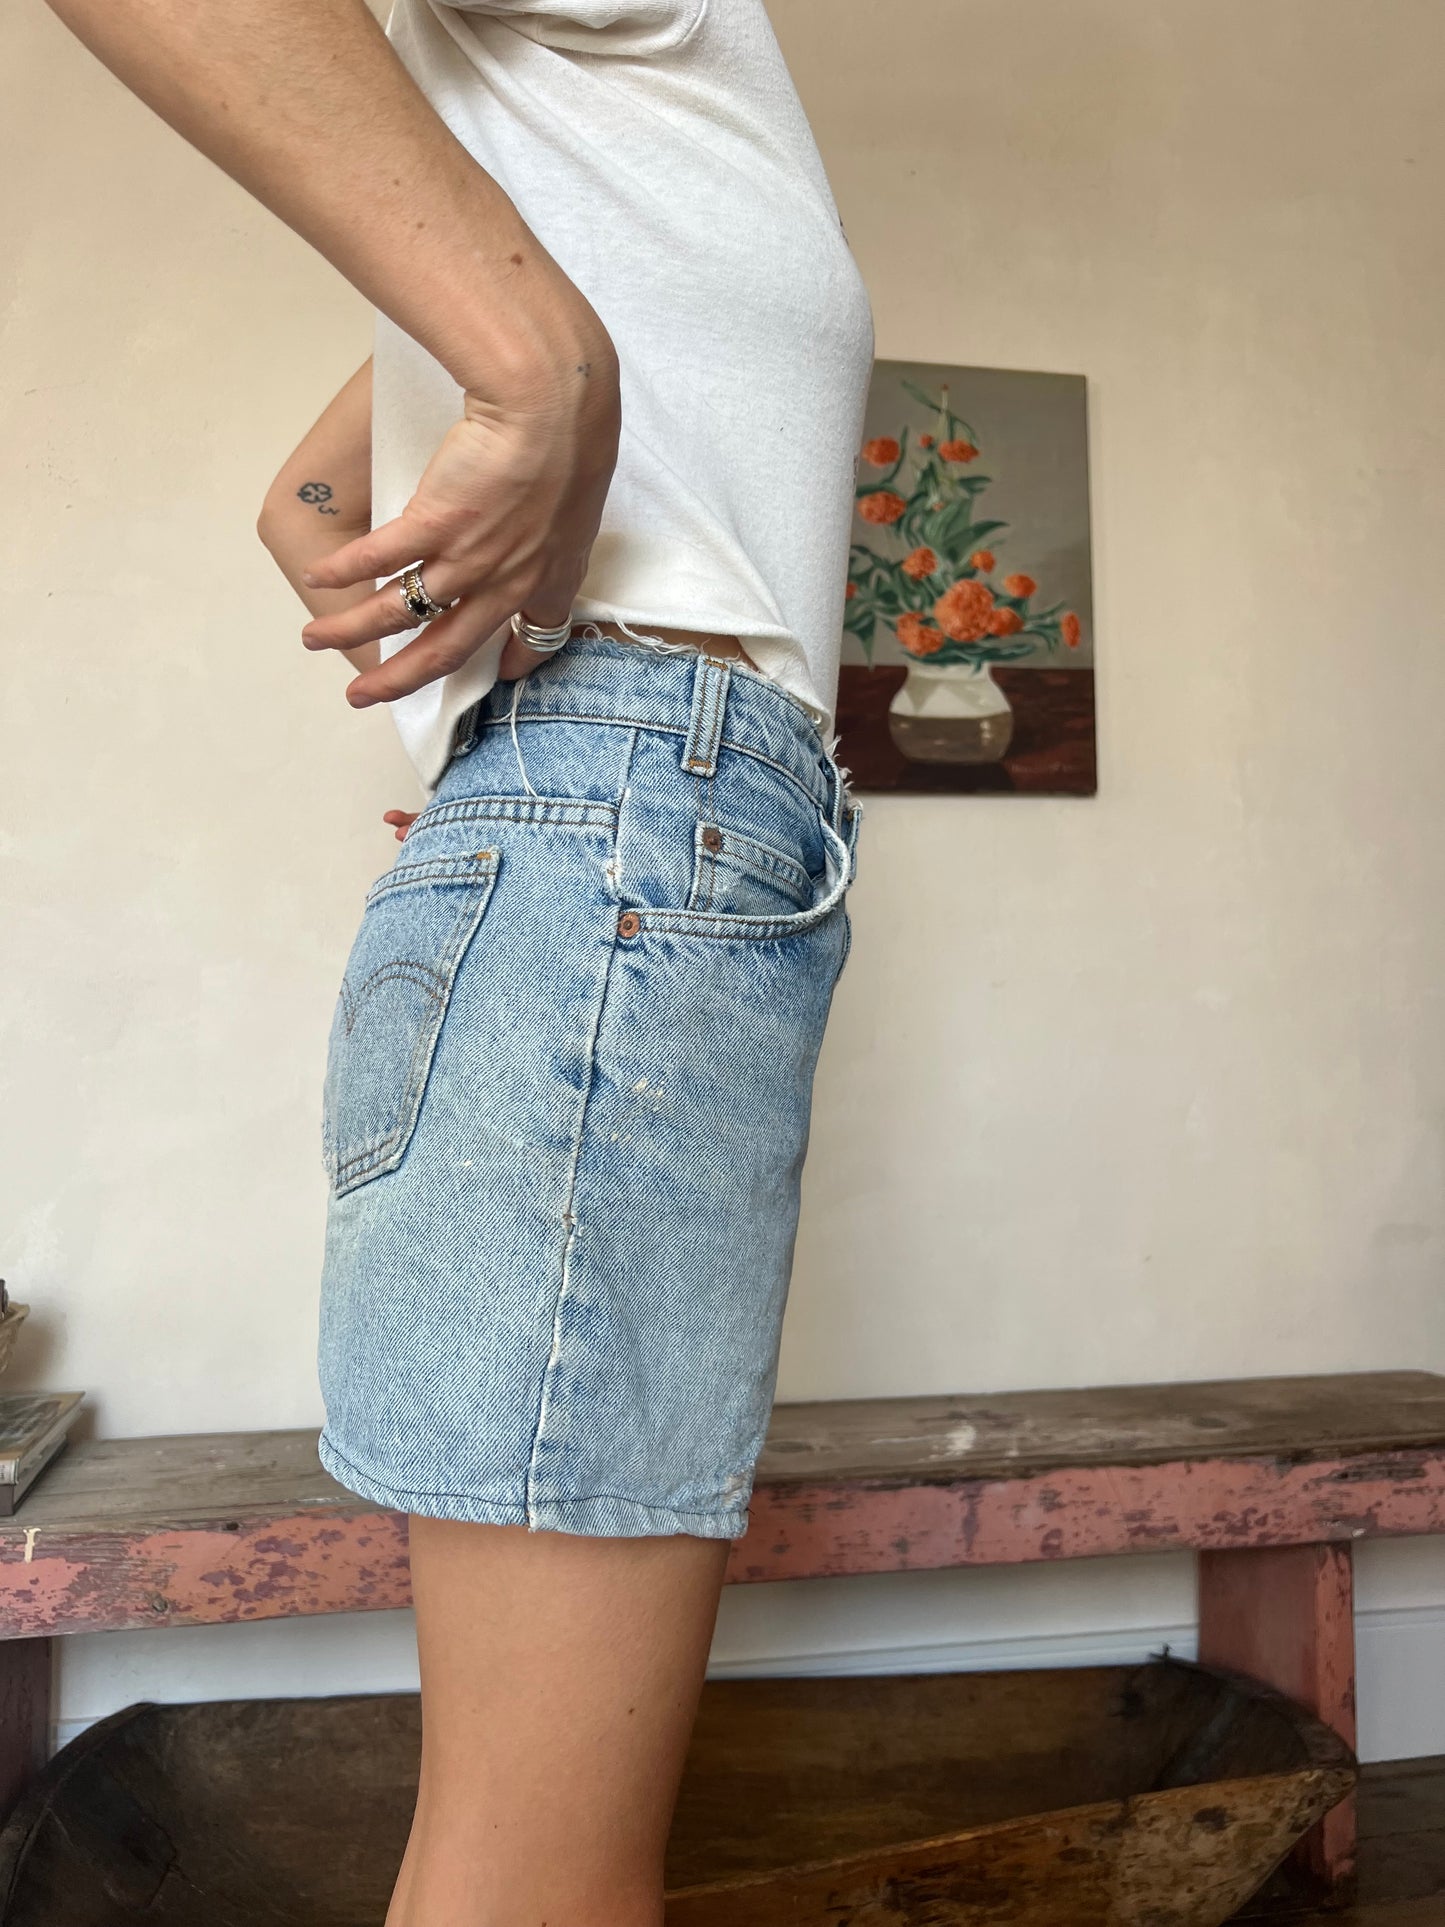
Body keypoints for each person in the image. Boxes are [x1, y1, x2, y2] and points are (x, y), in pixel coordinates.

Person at [43, 1, 873, 1921]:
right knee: (541, 1870)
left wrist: (506, 760)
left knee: (521, 1855)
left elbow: (310, 504)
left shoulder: (593, 127)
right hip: (635, 837)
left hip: (609, 842)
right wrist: (537, 362)